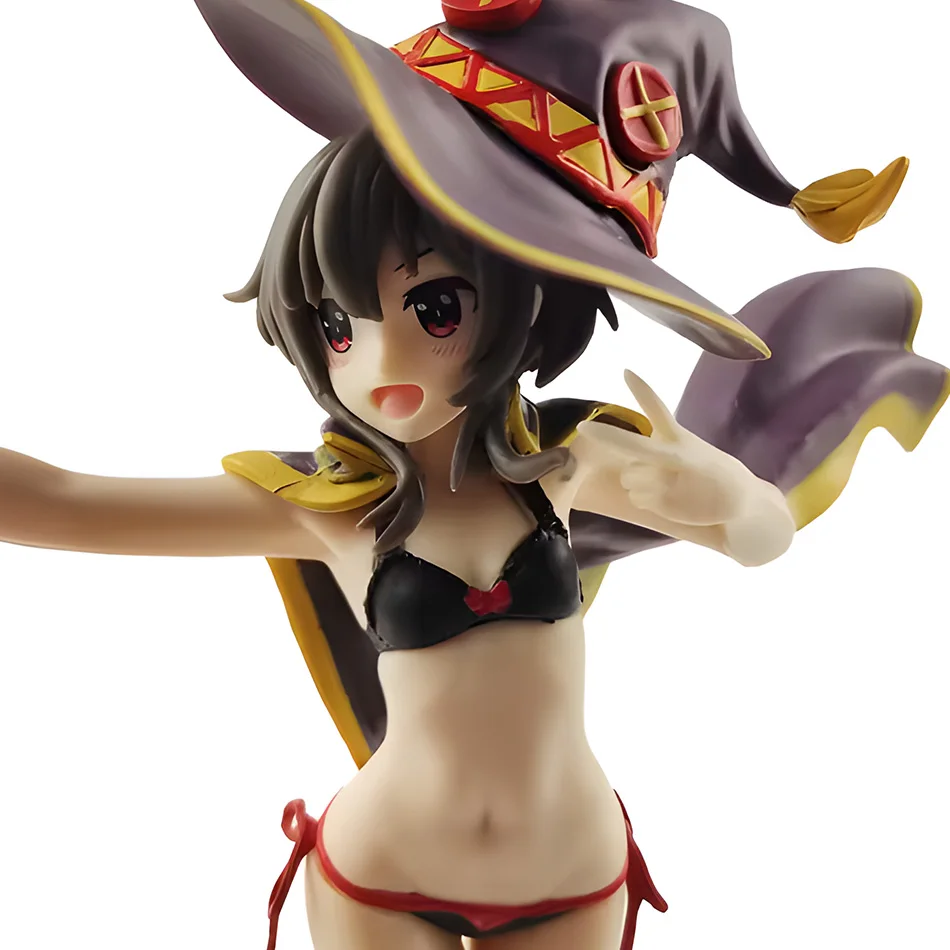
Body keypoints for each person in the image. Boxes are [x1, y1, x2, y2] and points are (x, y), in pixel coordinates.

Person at [1, 1, 945, 949]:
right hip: (382, 875)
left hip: (572, 872)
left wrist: (726, 494)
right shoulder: (327, 511)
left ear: (524, 296)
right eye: (337, 325)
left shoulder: (569, 464)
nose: (380, 366)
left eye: (436, 309)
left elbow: (764, 538)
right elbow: (67, 503)